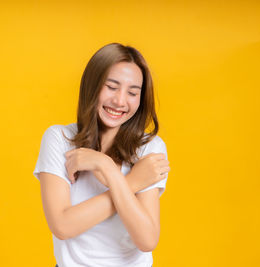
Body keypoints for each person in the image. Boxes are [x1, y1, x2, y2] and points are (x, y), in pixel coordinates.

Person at [33, 42, 170, 267]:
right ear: (92, 85)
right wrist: (133, 182)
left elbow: (147, 240)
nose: (119, 101)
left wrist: (105, 167)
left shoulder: (149, 148)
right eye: (111, 86)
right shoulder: (59, 138)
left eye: (132, 92)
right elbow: (62, 226)